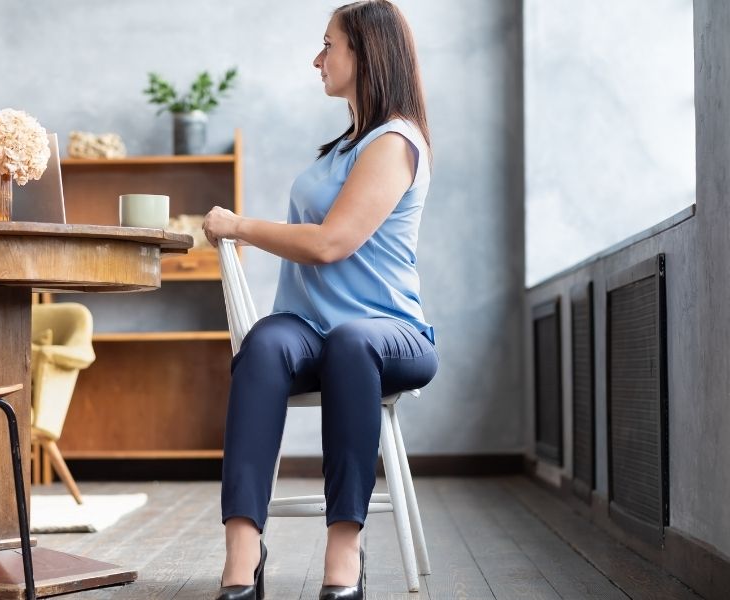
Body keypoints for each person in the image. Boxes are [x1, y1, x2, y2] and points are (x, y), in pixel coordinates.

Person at [201, 2, 439, 599]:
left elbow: (332, 243)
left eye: (327, 45)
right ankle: (242, 551)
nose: (318, 58)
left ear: (365, 52)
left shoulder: (394, 142)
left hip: (388, 333)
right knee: (263, 343)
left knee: (352, 341)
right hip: (311, 330)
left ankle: (344, 552)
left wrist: (239, 225)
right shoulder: (343, 144)